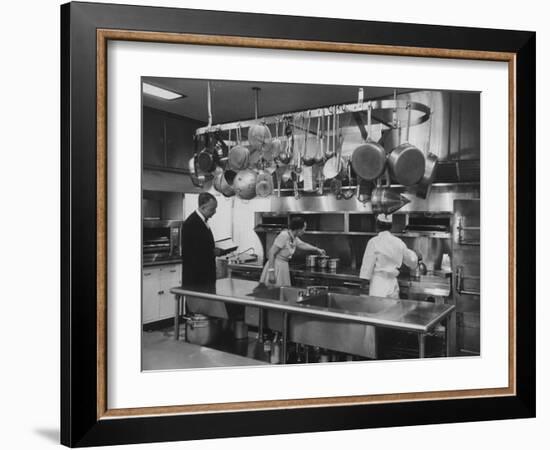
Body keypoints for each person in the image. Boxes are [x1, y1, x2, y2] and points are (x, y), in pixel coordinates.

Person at [359, 213, 419, 299]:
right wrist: (416, 256)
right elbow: (412, 261)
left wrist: (363, 284)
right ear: (391, 226)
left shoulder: (374, 242)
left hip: (378, 286)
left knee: (379, 311)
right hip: (392, 284)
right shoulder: (398, 242)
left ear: (377, 225)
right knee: (392, 311)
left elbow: (367, 266)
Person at [259, 217, 326, 287]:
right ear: (298, 229)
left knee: (282, 293)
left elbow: (303, 244)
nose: (304, 231)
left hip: (283, 265)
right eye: (304, 228)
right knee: (274, 292)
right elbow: (271, 253)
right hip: (276, 266)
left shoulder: (293, 238)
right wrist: (271, 272)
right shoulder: (284, 236)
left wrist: (317, 249)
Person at [181, 192, 221, 287]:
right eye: (212, 209)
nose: (214, 212)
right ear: (202, 208)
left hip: (204, 277)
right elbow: (193, 253)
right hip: (196, 279)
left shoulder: (202, 221)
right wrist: (213, 252)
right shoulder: (191, 223)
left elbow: (201, 244)